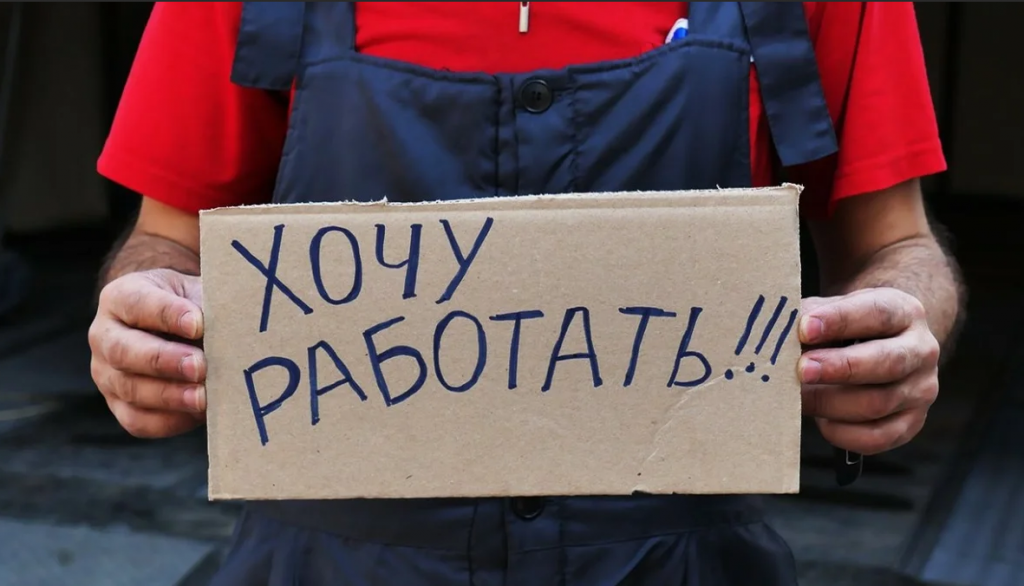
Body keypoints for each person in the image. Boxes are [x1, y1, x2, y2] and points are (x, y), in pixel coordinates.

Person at [88, 2, 964, 584]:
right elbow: (167, 239)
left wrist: (899, 323)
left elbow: (896, 245)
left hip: (682, 565)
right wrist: (144, 311)